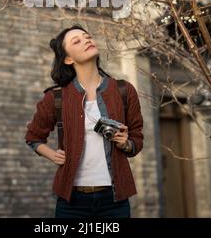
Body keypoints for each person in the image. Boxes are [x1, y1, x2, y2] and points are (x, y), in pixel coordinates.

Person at [25, 24, 144, 218]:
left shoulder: (123, 90)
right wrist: (52, 155)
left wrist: (126, 143)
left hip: (114, 200)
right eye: (77, 41)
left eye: (87, 36)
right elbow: (33, 136)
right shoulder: (56, 97)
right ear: (68, 59)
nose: (87, 40)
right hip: (72, 201)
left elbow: (137, 137)